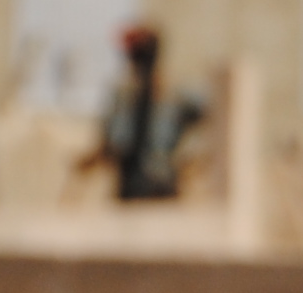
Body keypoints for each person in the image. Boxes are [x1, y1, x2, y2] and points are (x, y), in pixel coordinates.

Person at [68, 24, 206, 204]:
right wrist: (89, 161)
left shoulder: (176, 94)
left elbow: (212, 116)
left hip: (163, 189)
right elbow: (112, 143)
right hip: (130, 189)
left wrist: (191, 156)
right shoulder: (122, 96)